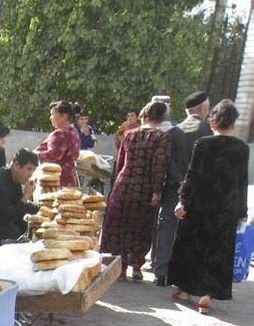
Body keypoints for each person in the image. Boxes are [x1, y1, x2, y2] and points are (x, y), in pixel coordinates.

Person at [167, 99, 249, 314]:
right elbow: (241, 182)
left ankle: (185, 290)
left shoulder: (203, 144)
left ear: (213, 121)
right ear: (233, 123)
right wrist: (242, 211)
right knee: (218, 250)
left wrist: (182, 200)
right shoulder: (241, 148)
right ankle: (206, 296)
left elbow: (192, 176)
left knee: (193, 246)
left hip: (200, 205)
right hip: (226, 208)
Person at [100, 100, 170, 281]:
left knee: (120, 226)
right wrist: (157, 191)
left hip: (123, 185)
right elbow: (159, 165)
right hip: (144, 189)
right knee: (140, 228)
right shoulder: (161, 137)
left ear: (144, 115)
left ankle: (120, 268)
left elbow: (120, 162)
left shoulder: (129, 135)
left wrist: (115, 185)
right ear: (162, 118)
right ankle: (137, 266)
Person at [152, 93, 213, 286]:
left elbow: (166, 162)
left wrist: (179, 182)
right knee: (191, 232)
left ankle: (161, 272)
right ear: (203, 108)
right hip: (198, 191)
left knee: (167, 228)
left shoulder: (173, 132)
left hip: (172, 189)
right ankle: (182, 275)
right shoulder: (208, 132)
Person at [36, 100, 82, 187]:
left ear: (64, 116)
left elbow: (52, 156)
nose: (50, 118)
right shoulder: (74, 131)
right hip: (69, 179)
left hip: (55, 181)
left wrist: (34, 155)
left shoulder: (60, 134)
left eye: (52, 115)